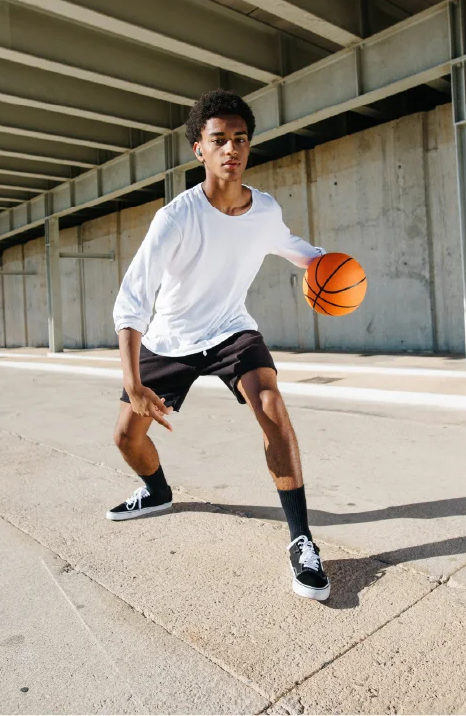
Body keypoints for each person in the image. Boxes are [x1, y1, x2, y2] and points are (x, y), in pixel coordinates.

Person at [108, 89, 330, 601]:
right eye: (219, 140)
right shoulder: (176, 217)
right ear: (198, 150)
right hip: (171, 338)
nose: (231, 149)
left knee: (272, 404)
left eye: (240, 139)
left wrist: (333, 266)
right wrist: (133, 381)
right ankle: (158, 493)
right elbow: (133, 298)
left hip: (231, 328)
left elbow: (299, 251)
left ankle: (302, 540)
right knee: (125, 439)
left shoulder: (264, 210)